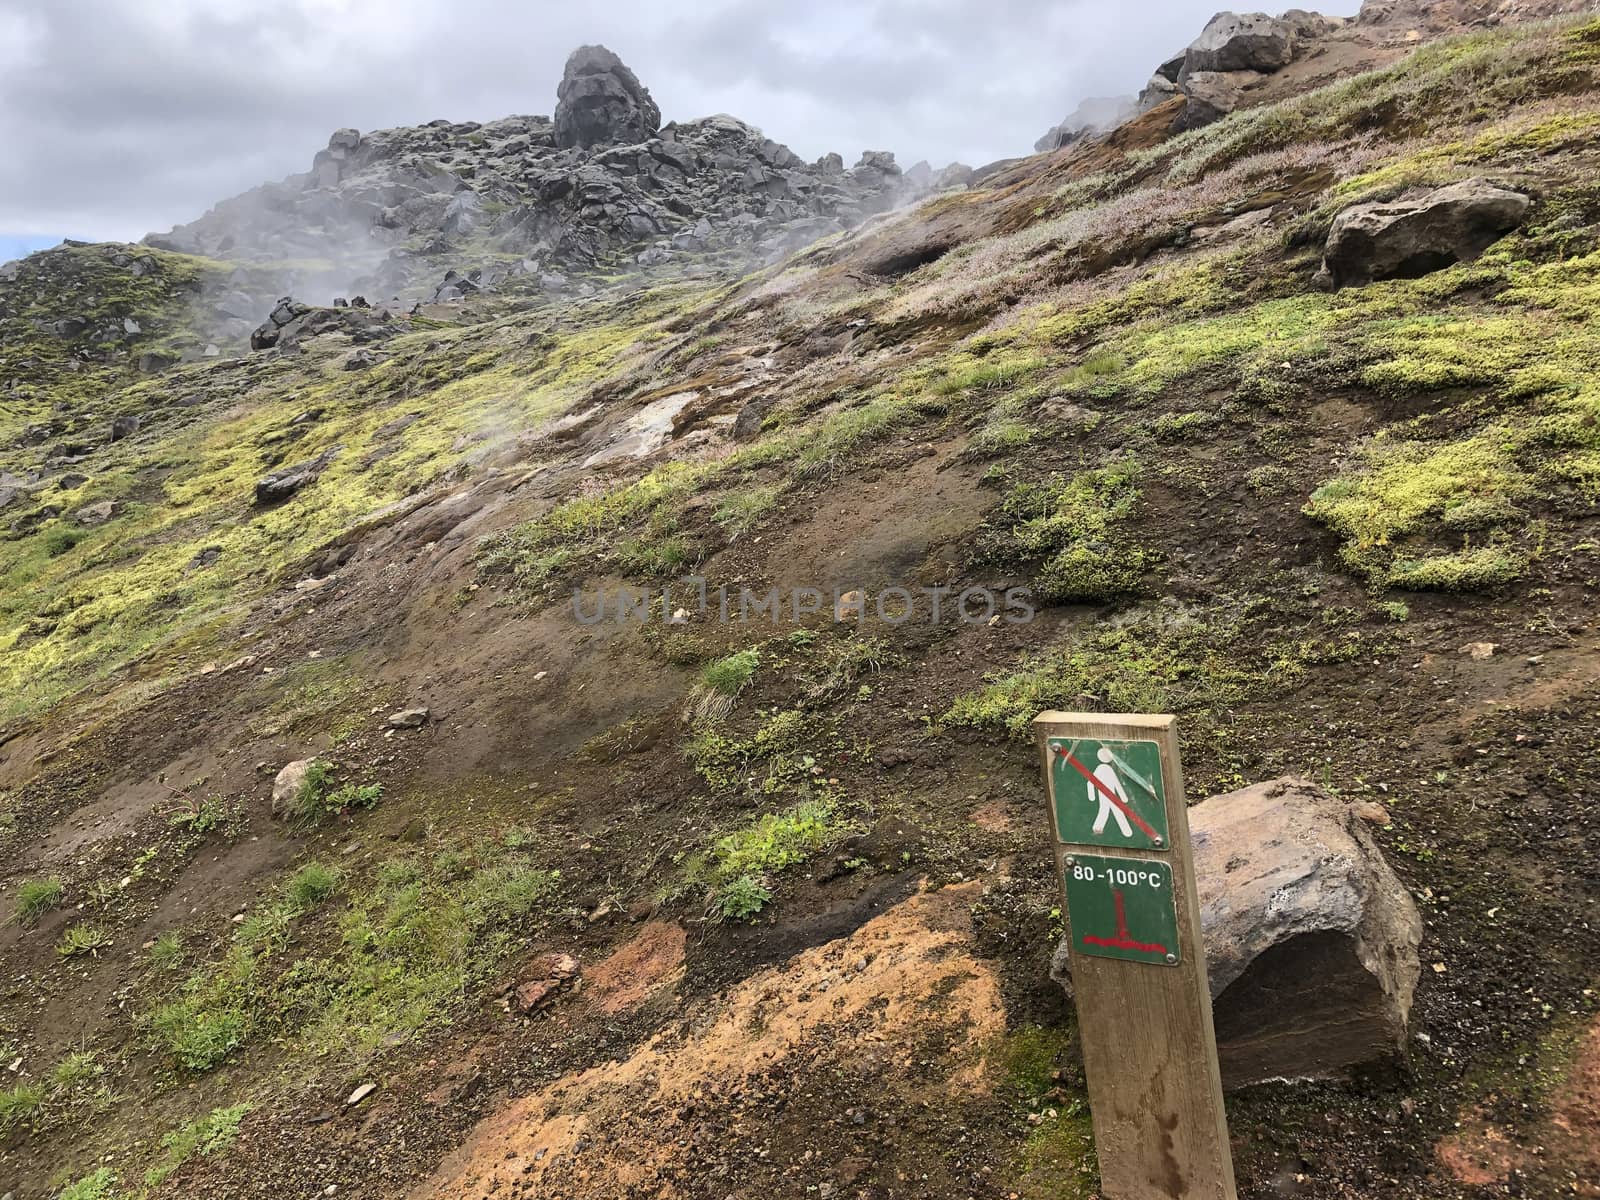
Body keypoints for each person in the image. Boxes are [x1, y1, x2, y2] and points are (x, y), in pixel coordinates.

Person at [1089, 746, 1134, 839]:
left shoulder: (1103, 769)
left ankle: (1125, 830)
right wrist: (1091, 796)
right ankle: (1125, 830)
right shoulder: (1102, 769)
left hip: (1109, 794)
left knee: (1107, 809)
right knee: (1106, 809)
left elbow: (1115, 782)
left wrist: (1123, 797)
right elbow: (1091, 782)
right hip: (1105, 794)